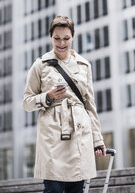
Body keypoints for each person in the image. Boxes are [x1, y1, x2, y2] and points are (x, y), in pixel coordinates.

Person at [23, 15, 106, 193]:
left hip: (79, 134)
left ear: (73, 36)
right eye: (57, 38)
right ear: (51, 38)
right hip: (52, 137)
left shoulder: (84, 65)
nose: (61, 43)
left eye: (66, 38)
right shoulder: (41, 65)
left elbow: (89, 105)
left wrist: (97, 140)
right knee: (52, 189)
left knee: (76, 189)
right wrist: (48, 96)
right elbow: (27, 102)